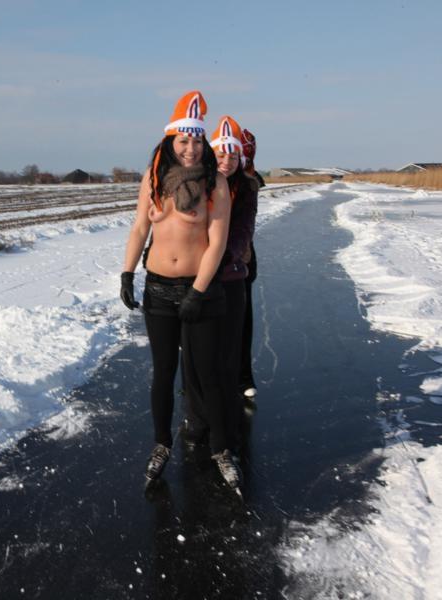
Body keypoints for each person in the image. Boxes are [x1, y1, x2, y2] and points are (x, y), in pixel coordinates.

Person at [120, 91, 231, 486]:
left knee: (206, 375)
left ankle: (221, 447)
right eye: (183, 140)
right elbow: (139, 228)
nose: (190, 148)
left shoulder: (214, 182)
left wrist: (198, 292)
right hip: (158, 291)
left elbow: (217, 242)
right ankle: (161, 443)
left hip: (197, 289)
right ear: (171, 141)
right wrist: (127, 273)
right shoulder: (153, 178)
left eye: (197, 140)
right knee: (163, 372)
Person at [180, 115, 258, 488]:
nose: (226, 160)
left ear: (240, 159)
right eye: (221, 154)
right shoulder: (200, 182)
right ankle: (197, 417)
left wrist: (216, 262)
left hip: (227, 280)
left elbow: (241, 232)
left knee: (225, 355)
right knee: (194, 355)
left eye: (232, 155)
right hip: (195, 280)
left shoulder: (246, 187)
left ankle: (225, 426)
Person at [239, 128, 264, 400]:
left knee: (242, 319)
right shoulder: (211, 176)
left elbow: (246, 227)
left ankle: (243, 374)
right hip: (205, 260)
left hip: (241, 259)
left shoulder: (250, 182)